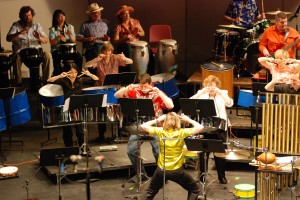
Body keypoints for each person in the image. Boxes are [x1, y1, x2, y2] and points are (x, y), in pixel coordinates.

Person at [114, 73, 174, 177]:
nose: (143, 89)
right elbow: (117, 95)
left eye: (145, 86)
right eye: (141, 86)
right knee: (131, 150)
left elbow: (170, 105)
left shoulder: (156, 93)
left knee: (158, 151)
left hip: (155, 126)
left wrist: (159, 92)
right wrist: (127, 88)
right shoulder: (135, 91)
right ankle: (141, 174)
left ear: (151, 84)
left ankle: (161, 175)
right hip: (140, 125)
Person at [140, 112, 203, 200]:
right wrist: (187, 119)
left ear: (165, 121)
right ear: (178, 122)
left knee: (149, 192)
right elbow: (201, 127)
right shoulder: (182, 132)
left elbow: (143, 126)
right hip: (177, 171)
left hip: (161, 170)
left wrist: (158, 119)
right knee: (194, 190)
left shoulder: (161, 131)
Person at [85, 42, 133, 142]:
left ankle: (119, 131)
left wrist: (124, 59)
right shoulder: (99, 59)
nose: (107, 53)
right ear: (102, 51)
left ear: (111, 51)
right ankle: (101, 134)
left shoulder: (115, 58)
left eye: (109, 51)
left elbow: (131, 62)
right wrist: (96, 59)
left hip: (114, 88)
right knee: (101, 110)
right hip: (101, 88)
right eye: (105, 51)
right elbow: (87, 65)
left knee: (119, 107)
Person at [190, 75, 233, 184]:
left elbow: (230, 103)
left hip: (220, 127)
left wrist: (220, 92)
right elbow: (190, 101)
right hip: (205, 126)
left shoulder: (223, 93)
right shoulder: (202, 94)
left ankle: (221, 176)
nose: (211, 89)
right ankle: (202, 176)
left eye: (213, 86)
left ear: (217, 86)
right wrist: (201, 92)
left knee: (220, 152)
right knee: (203, 152)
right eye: (209, 86)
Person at [47, 63, 98, 154]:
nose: (73, 75)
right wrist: (59, 76)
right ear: (67, 72)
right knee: (67, 132)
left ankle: (83, 149)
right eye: (71, 72)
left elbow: (96, 79)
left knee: (80, 131)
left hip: (77, 108)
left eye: (75, 72)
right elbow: (49, 80)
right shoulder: (63, 81)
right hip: (66, 108)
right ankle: (69, 150)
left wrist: (89, 74)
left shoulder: (79, 80)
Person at [6, 6, 53, 86]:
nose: (28, 18)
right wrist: (19, 33)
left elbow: (46, 40)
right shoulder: (16, 25)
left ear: (32, 15)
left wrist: (39, 37)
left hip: (36, 52)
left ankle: (45, 81)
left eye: (30, 15)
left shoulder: (37, 25)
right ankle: (18, 83)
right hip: (21, 53)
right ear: (21, 16)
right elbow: (8, 38)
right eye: (26, 16)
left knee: (47, 55)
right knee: (16, 57)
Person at [77, 2, 110, 77]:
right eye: (96, 13)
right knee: (94, 52)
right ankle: (97, 77)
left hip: (104, 47)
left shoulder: (105, 23)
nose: (98, 14)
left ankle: (102, 77)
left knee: (104, 51)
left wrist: (107, 38)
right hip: (91, 47)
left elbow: (109, 36)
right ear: (90, 14)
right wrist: (87, 39)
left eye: (99, 13)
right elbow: (78, 37)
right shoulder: (85, 25)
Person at [49, 9, 83, 76]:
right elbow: (52, 43)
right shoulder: (52, 29)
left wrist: (69, 35)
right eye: (60, 16)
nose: (62, 18)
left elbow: (74, 40)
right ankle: (57, 76)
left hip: (70, 50)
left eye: (63, 16)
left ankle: (77, 75)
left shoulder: (70, 27)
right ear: (56, 18)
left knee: (79, 57)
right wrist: (57, 37)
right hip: (57, 50)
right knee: (56, 59)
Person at [113, 5, 145, 73]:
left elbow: (143, 33)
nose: (127, 16)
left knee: (146, 50)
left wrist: (137, 33)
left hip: (136, 46)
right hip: (125, 47)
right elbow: (115, 41)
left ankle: (141, 73)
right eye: (125, 14)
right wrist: (125, 38)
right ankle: (129, 73)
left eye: (128, 13)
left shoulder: (135, 22)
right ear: (121, 16)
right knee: (127, 49)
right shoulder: (118, 27)